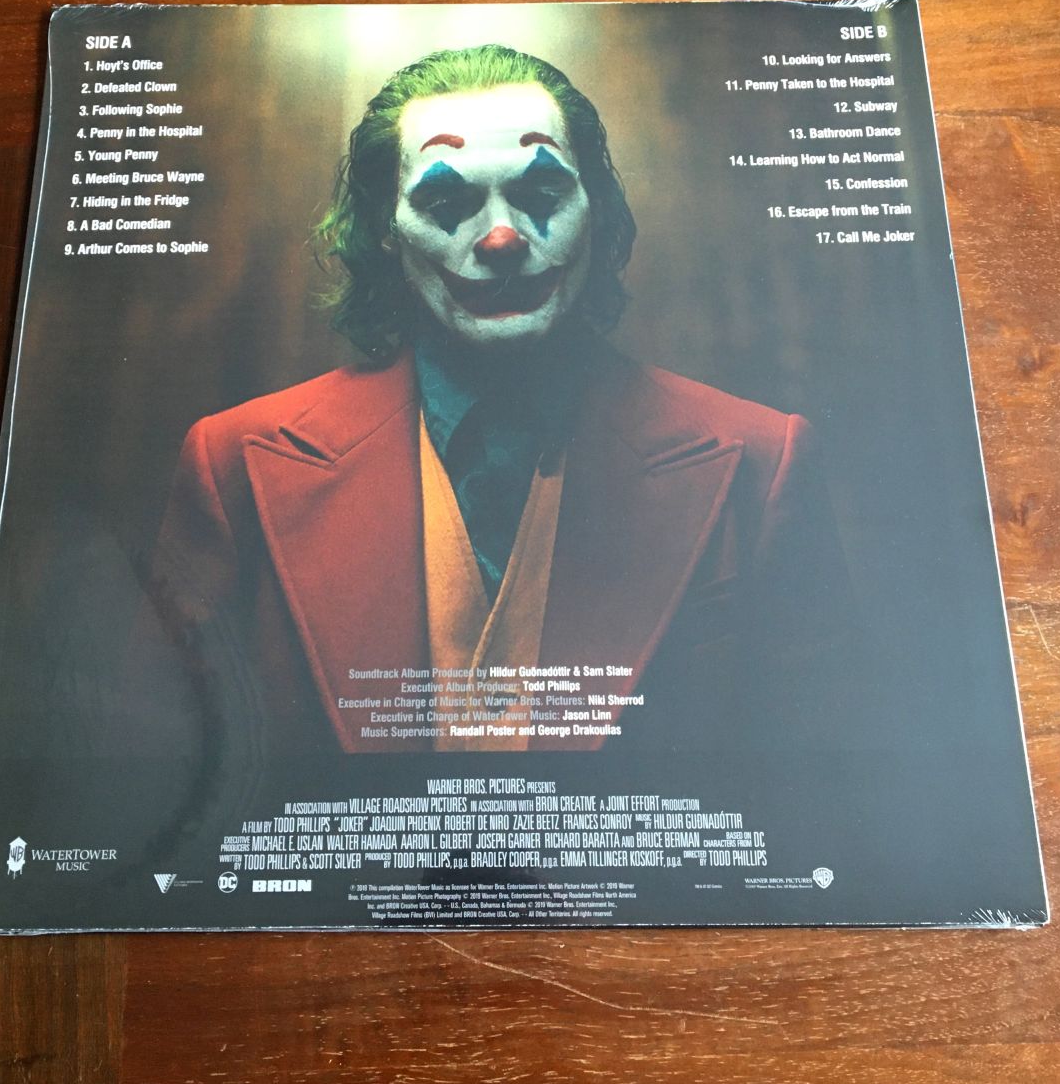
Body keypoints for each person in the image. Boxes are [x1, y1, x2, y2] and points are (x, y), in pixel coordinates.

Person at [151, 44, 856, 757]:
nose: (501, 238)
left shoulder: (760, 458)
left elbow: (822, 776)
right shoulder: (234, 460)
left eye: (541, 193)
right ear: (386, 229)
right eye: (445, 202)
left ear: (595, 211)